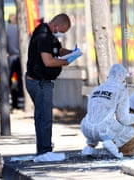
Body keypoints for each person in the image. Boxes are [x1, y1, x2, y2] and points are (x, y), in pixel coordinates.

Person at [25, 13, 82, 162]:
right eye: (63, 31)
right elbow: (48, 61)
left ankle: (43, 149)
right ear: (57, 25)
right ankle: (44, 152)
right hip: (40, 82)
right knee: (44, 118)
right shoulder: (43, 36)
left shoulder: (49, 36)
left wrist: (73, 53)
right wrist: (66, 62)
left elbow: (58, 50)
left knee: (42, 116)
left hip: (41, 81)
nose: (62, 34)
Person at [80, 64, 134, 159]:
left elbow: (93, 112)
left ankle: (89, 147)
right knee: (131, 132)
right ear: (123, 78)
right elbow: (123, 118)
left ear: (109, 76)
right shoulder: (121, 91)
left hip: (86, 127)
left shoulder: (96, 89)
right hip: (104, 130)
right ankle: (111, 144)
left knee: (97, 121)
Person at [6, 13, 24, 109]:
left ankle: (8, 102)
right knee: (20, 80)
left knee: (7, 80)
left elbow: (4, 43)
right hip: (20, 57)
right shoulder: (20, 29)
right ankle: (21, 102)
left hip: (10, 57)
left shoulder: (7, 29)